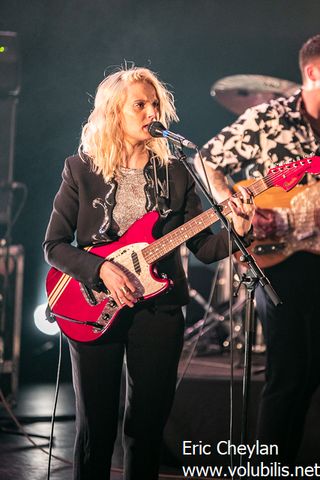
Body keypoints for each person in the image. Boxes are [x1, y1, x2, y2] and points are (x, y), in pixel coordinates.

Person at [43, 66, 254, 480]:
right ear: (114, 113)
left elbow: (206, 248)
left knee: (147, 425)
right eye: (139, 104)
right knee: (96, 429)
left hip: (159, 311)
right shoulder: (80, 169)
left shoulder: (178, 172)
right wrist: (101, 269)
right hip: (92, 304)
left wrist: (240, 227)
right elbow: (54, 246)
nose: (149, 111)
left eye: (154, 103)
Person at [194, 34, 320, 467]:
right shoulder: (269, 119)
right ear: (313, 72)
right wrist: (235, 211)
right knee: (289, 373)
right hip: (280, 257)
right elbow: (205, 161)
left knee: (311, 373)